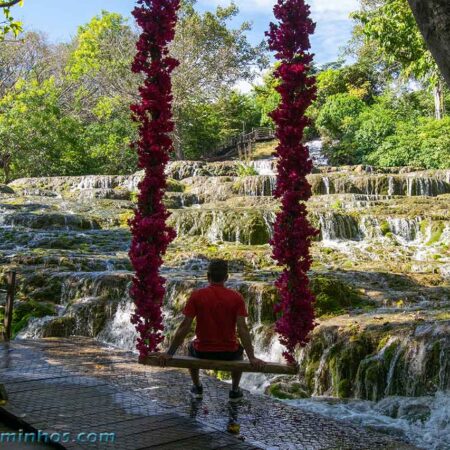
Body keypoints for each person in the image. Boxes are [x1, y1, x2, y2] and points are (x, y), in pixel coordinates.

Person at [158, 259, 265, 401]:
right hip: (229, 353)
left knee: (191, 347)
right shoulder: (236, 297)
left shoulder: (197, 295)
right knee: (240, 350)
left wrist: (169, 353)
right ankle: (234, 390)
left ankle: (197, 387)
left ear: (207, 276)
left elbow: (185, 326)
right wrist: (252, 357)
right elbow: (242, 329)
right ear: (226, 277)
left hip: (202, 351)